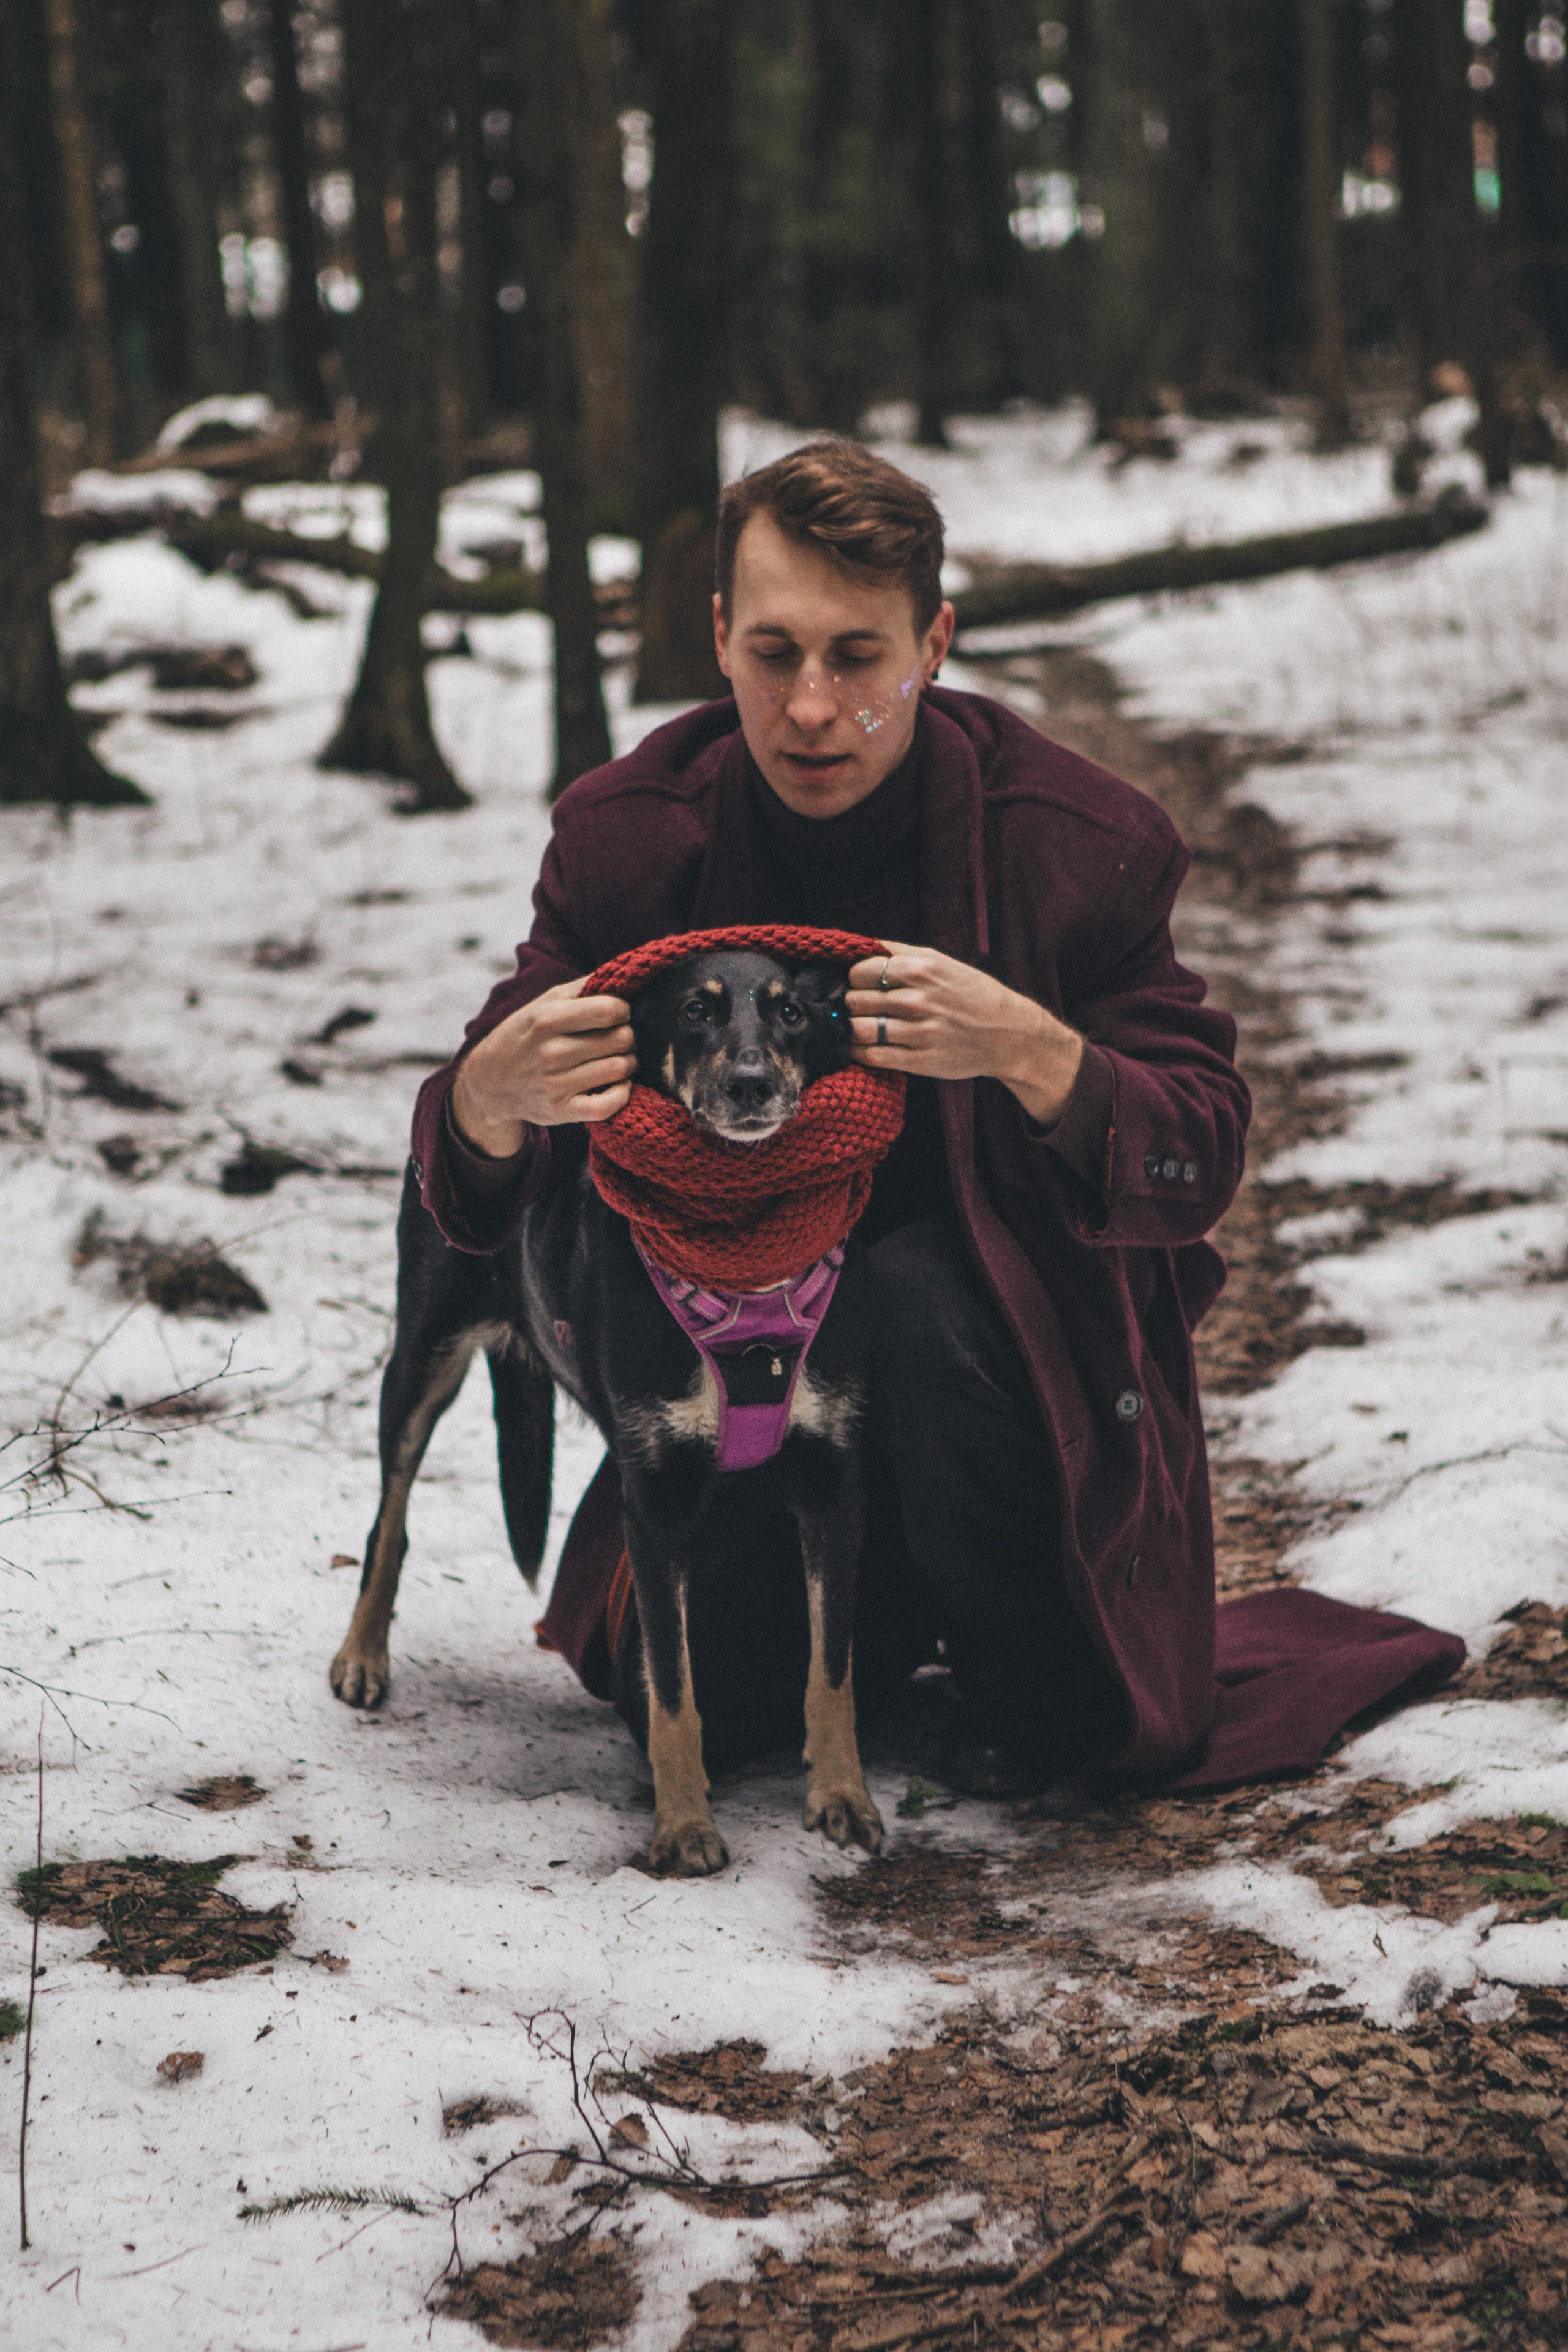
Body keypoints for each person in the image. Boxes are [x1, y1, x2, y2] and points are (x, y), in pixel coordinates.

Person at [412, 439, 1463, 1796]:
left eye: (858, 657)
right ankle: (861, 1609)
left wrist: (1036, 1055)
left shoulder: (1070, 840)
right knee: (701, 1722)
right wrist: (487, 1098)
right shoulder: (629, 840)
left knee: (1061, 1710)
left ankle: (1007, 1638)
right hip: (740, 1392)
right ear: (718, 636)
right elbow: (478, 1143)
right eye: (774, 653)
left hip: (997, 1385)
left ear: (934, 645)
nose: (811, 707)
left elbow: (1196, 1148)